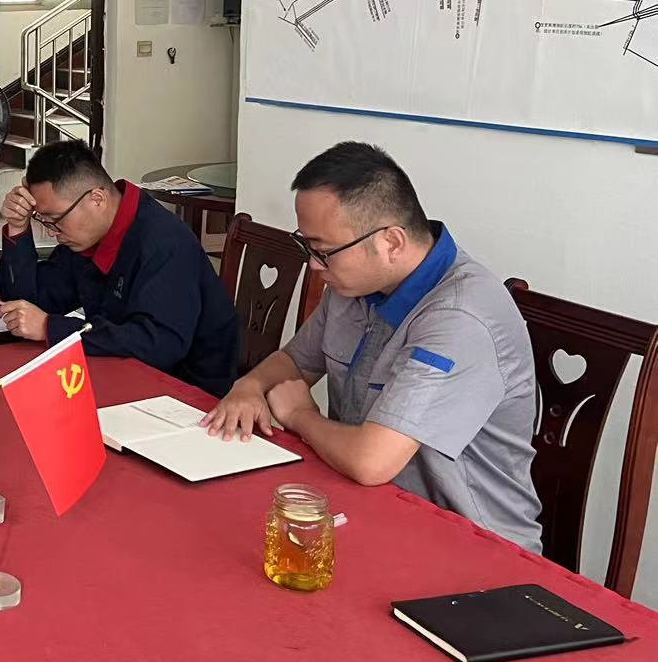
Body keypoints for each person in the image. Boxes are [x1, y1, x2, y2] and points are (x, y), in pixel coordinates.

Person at [203, 141, 542, 551]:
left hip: (471, 546)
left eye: (324, 251)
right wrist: (248, 388)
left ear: (392, 243)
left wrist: (298, 415)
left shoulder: (459, 319)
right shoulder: (354, 286)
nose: (313, 265)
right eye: (307, 247)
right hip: (369, 508)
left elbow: (371, 462)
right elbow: (293, 362)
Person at [0, 139, 241, 396]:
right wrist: (18, 227)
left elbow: (159, 344)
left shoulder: (163, 242)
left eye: (55, 219)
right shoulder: (85, 237)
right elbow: (30, 302)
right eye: (43, 220)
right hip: (118, 372)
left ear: (97, 199)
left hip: (185, 394)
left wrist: (51, 327)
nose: (51, 231)